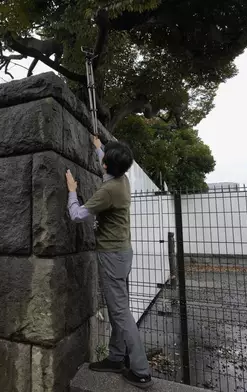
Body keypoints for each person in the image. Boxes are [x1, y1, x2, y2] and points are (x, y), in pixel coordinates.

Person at [65, 135, 153, 389]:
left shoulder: (108, 190)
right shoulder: (121, 179)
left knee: (120, 312)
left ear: (107, 167)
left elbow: (77, 215)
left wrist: (72, 192)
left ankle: (141, 371)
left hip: (112, 256)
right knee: (118, 307)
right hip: (123, 252)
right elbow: (108, 164)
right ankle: (116, 357)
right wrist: (98, 147)